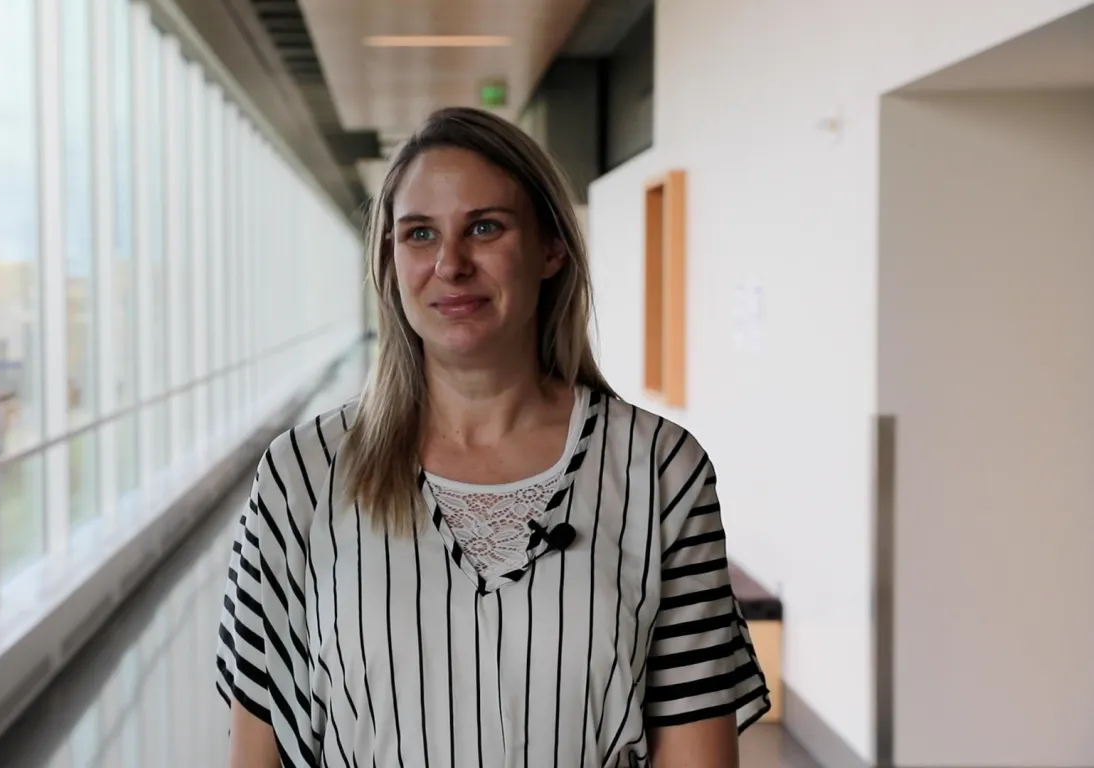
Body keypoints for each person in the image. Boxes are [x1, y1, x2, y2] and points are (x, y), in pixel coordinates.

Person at [217, 106, 769, 768]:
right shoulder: (301, 477)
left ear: (550, 249)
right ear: (390, 264)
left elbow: (696, 753)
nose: (450, 264)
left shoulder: (659, 471)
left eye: (484, 227)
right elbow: (257, 752)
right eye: (419, 234)